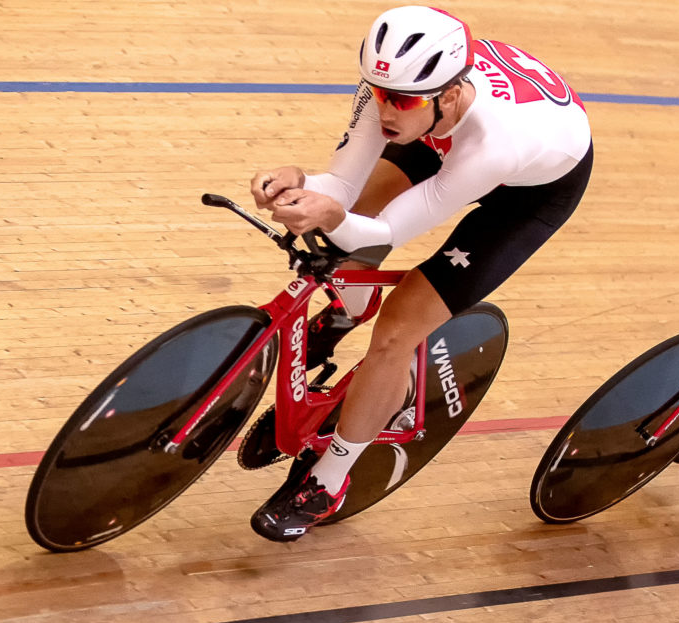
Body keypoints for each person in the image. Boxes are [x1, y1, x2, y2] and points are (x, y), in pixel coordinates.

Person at [247, 6, 593, 541]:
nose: (384, 107)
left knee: (398, 328)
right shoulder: (398, 92)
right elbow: (342, 188)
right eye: (378, 92)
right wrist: (303, 179)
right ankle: (345, 316)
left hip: (529, 192)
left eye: (400, 99)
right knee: (351, 217)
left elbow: (386, 231)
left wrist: (336, 216)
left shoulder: (495, 145)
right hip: (439, 132)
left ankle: (330, 480)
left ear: (450, 93)